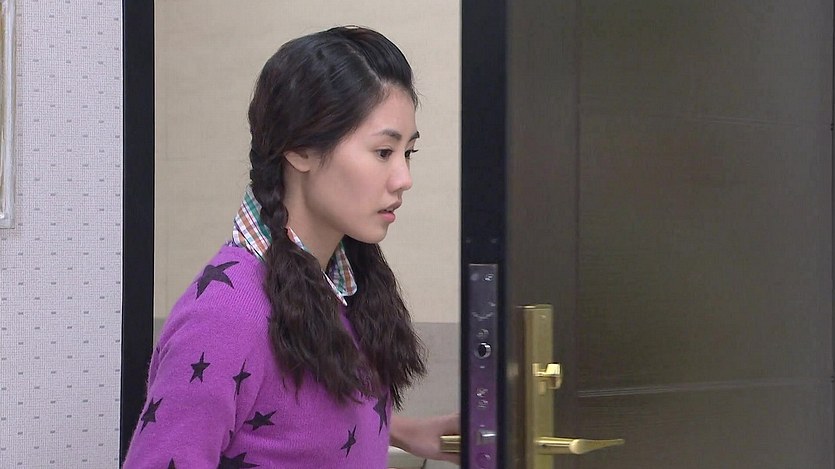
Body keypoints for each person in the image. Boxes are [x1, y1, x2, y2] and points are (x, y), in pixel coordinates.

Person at [123, 26, 460, 468]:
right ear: (300, 149)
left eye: (408, 153)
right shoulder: (225, 315)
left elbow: (288, 414)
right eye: (383, 152)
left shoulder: (339, 282)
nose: (403, 179)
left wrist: (401, 430)